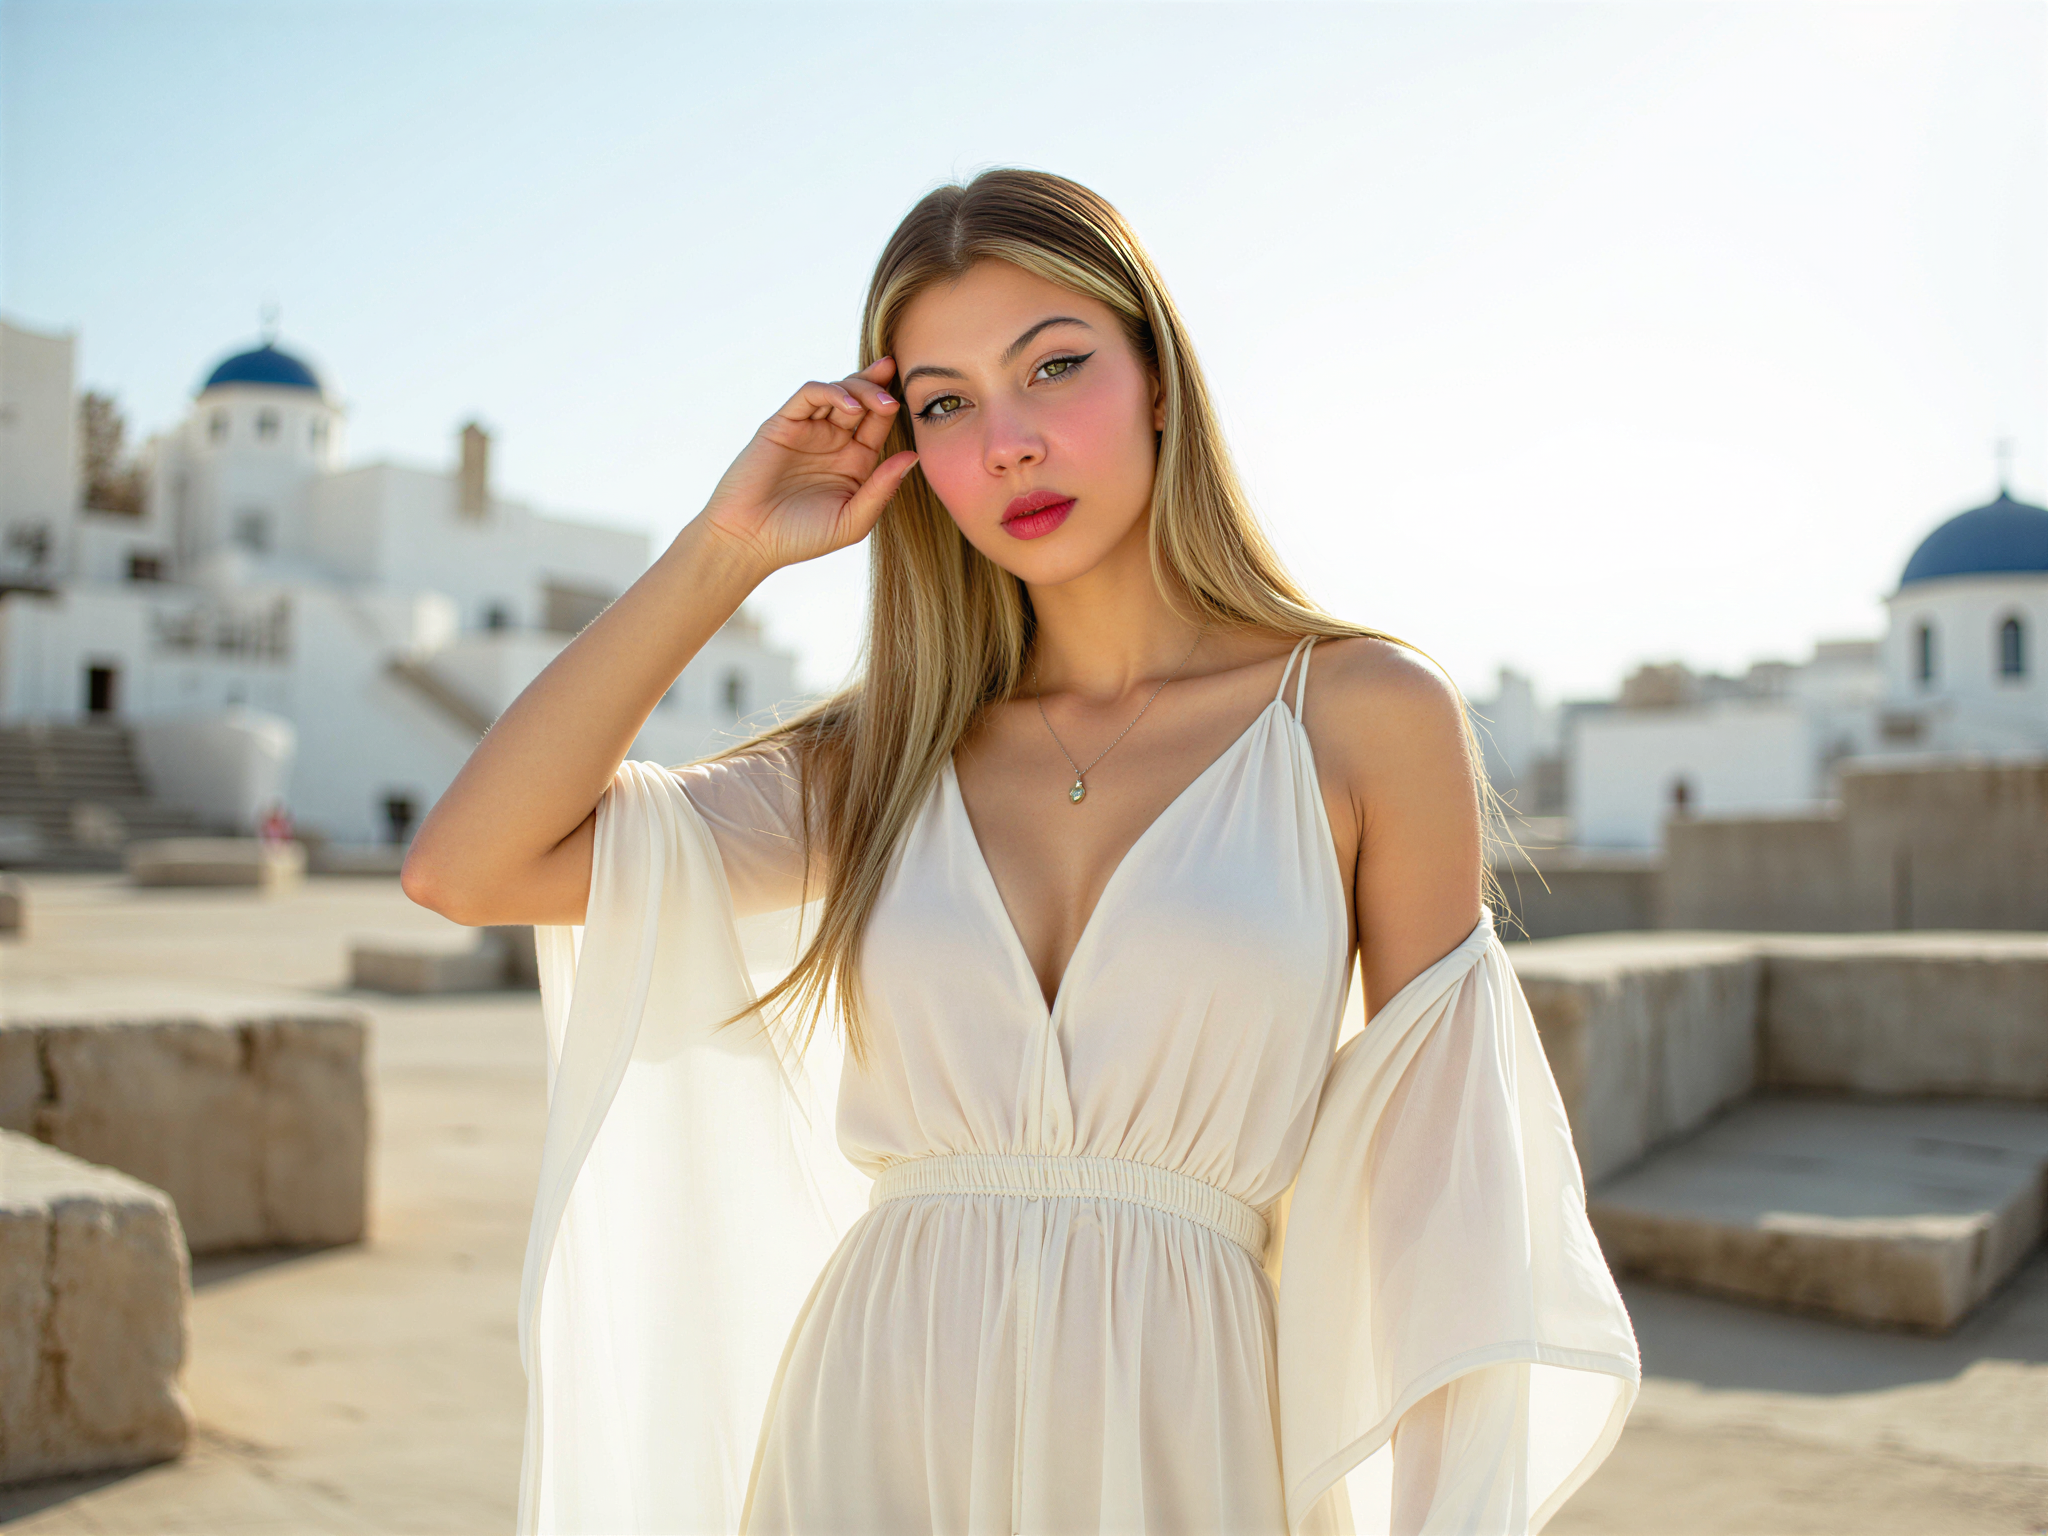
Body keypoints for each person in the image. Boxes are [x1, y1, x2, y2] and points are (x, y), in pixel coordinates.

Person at [402, 169, 1638, 1536]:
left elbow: (1443, 1209)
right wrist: (727, 548)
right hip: (872, 1423)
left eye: (1055, 368)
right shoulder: (885, 758)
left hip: (1190, 1432)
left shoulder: (1358, 714)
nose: (1009, 444)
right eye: (945, 404)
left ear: (1158, 377)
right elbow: (470, 866)